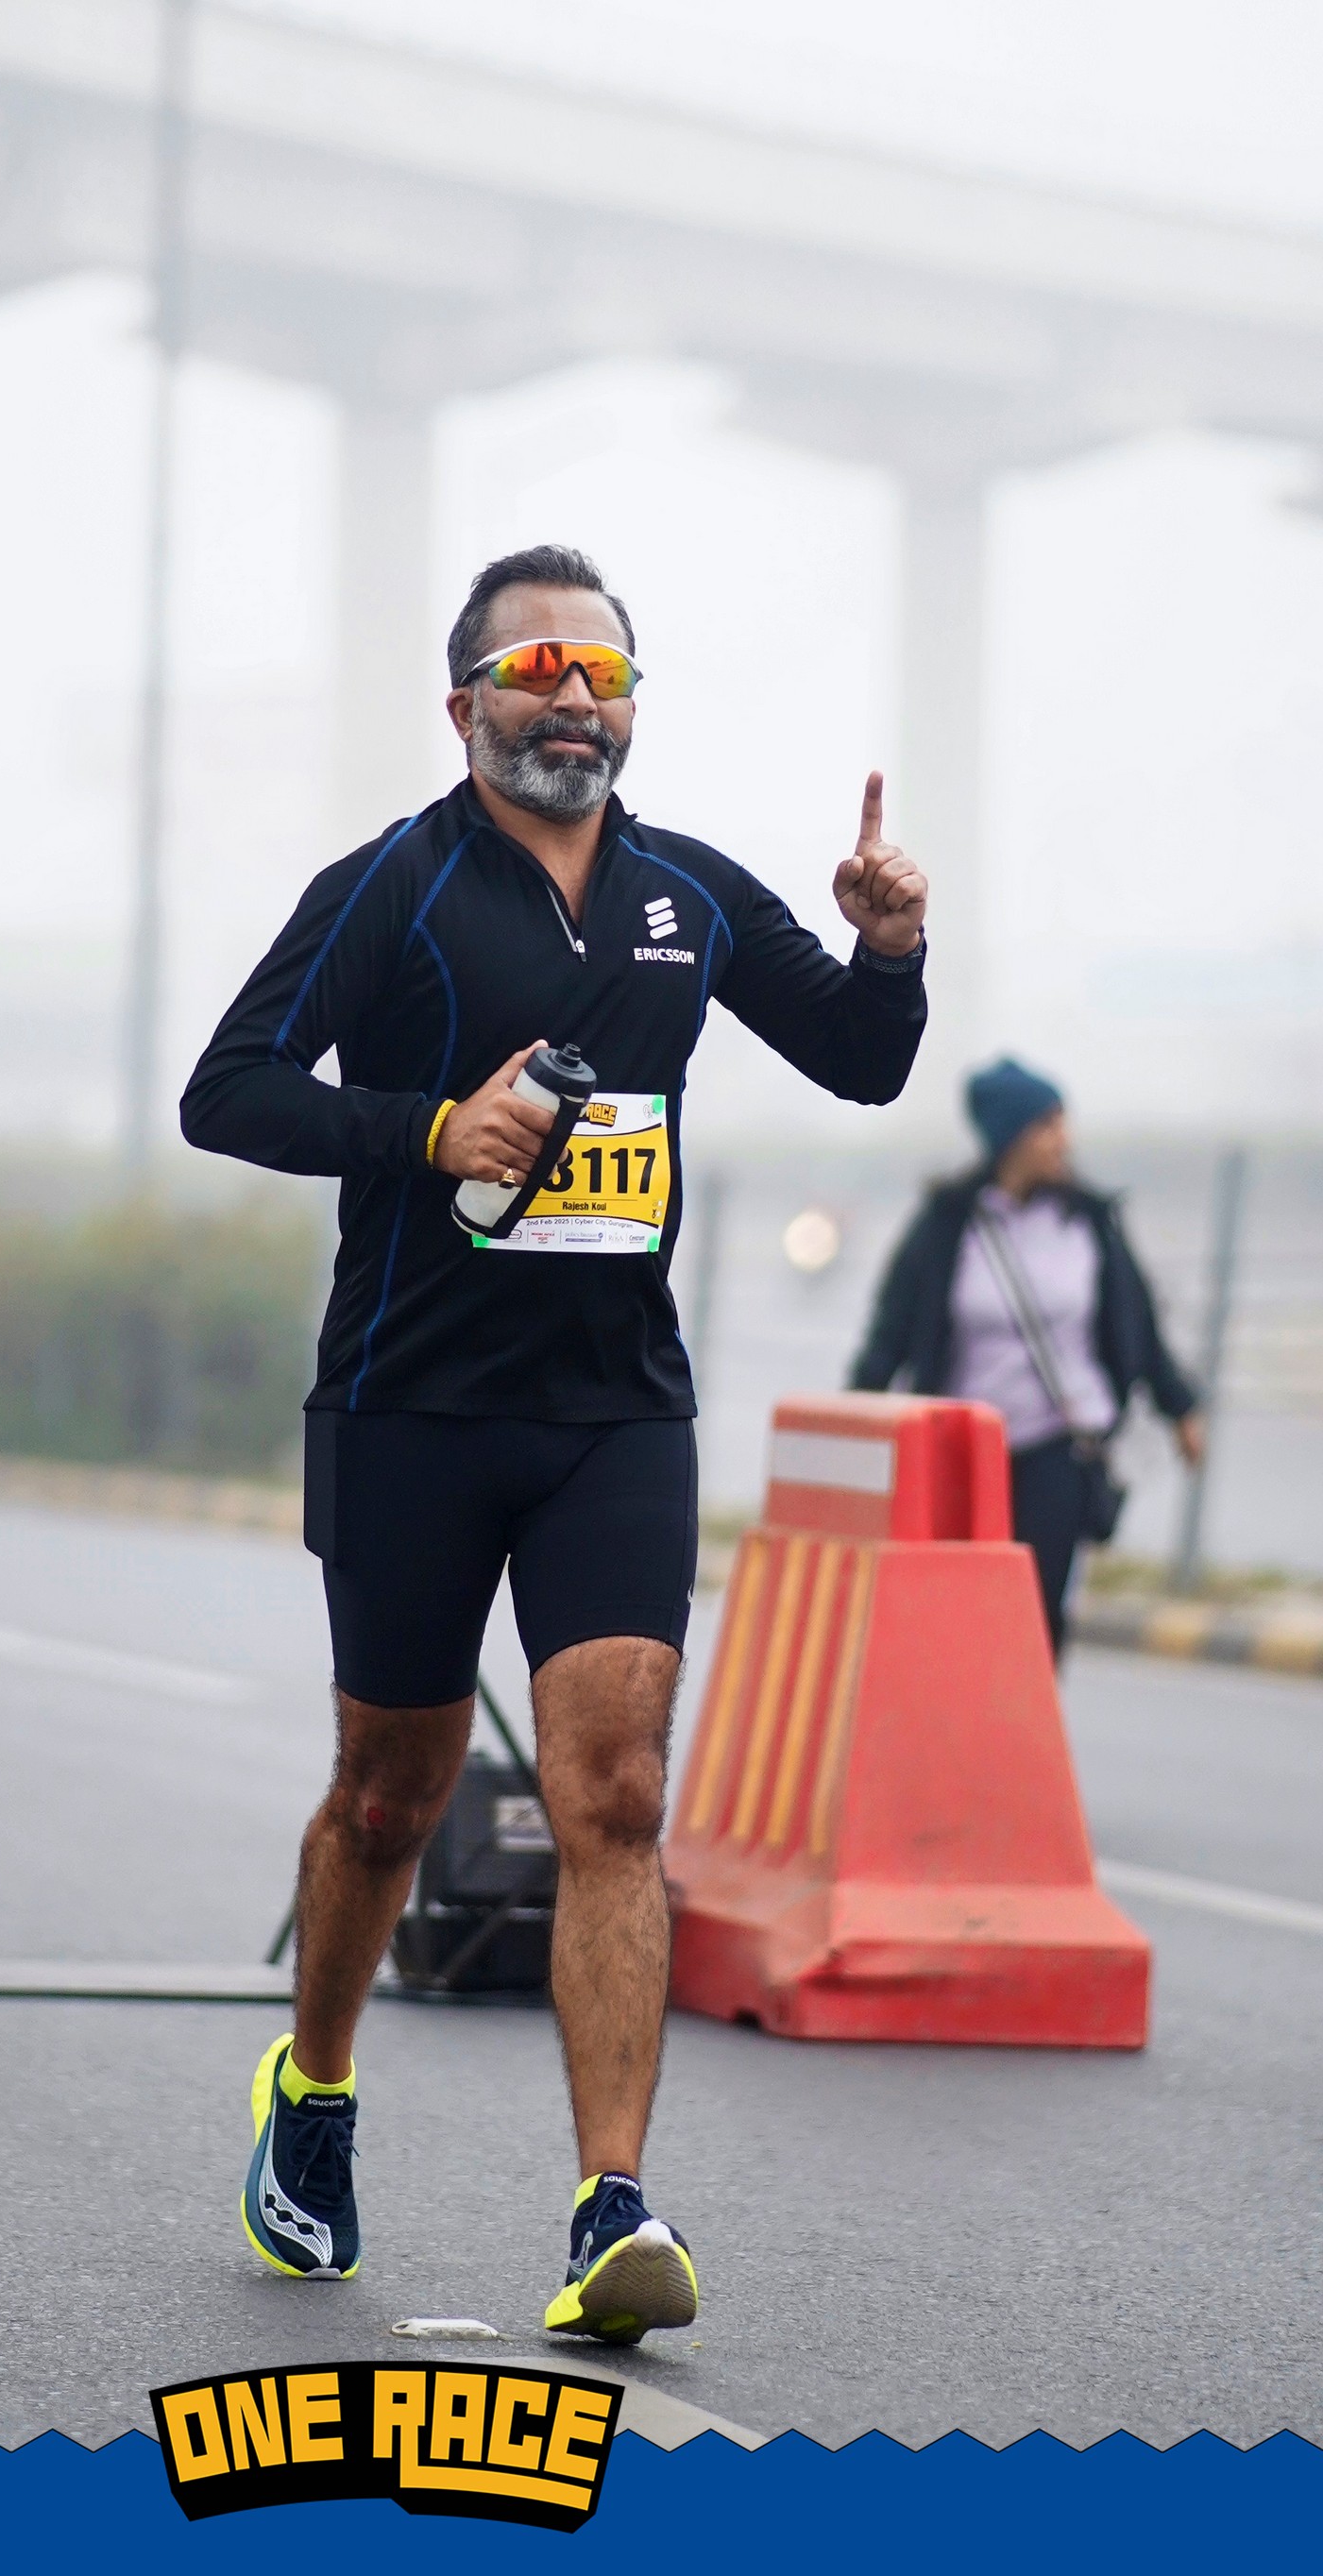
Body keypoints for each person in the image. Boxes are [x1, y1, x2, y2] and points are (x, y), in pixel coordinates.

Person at [180, 542, 927, 2338]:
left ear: (632, 707)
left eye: (603, 670)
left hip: (614, 1411)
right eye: (534, 669)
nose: (573, 695)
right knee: (392, 1796)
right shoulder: (392, 888)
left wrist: (891, 947)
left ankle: (613, 2211)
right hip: (411, 1404)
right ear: (464, 708)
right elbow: (229, 1091)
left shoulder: (688, 895)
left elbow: (862, 1059)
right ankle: (315, 2092)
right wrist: (428, 1130)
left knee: (615, 1795)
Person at [850, 1057, 1203, 1658]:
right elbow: (893, 1329)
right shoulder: (948, 1223)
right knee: (957, 1615)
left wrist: (1182, 1410)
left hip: (1056, 1448)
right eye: (1047, 1124)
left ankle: (1026, 1718)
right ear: (1009, 1135)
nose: (1064, 1139)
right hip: (962, 1452)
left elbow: (1138, 1325)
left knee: (1036, 1618)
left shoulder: (1090, 1222)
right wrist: (858, 1419)